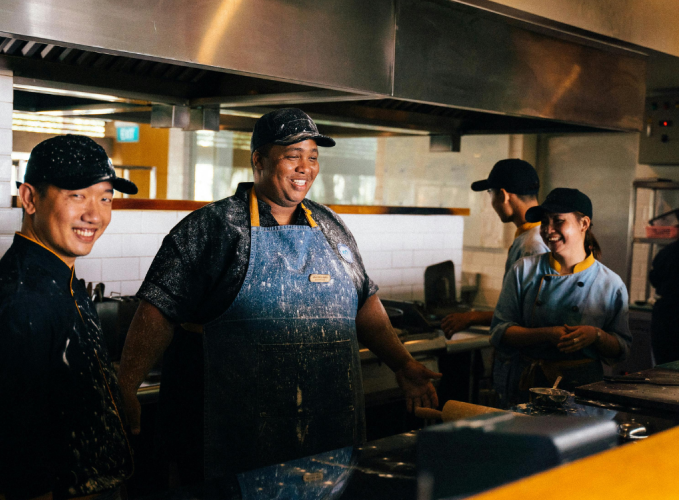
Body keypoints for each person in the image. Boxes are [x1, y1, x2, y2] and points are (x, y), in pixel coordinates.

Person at [118, 108, 441, 482]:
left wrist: (402, 363)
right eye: (293, 156)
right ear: (259, 160)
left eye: (313, 157)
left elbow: (364, 302)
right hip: (236, 438)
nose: (306, 167)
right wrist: (126, 386)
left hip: (325, 435)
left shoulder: (332, 227)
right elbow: (157, 311)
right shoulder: (212, 228)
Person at [0, 135, 138, 500]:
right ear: (29, 198)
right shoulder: (21, 303)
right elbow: (21, 461)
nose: (95, 215)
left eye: (105, 197)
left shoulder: (59, 276)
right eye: (77, 195)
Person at [489, 188, 632, 406]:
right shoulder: (523, 270)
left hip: (582, 390)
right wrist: (547, 334)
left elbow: (621, 348)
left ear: (584, 224)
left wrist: (596, 335)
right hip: (528, 386)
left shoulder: (610, 283)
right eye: (545, 222)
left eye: (558, 221)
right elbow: (499, 331)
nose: (548, 230)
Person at [441, 159, 548, 337]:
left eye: (490, 193)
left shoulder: (533, 245)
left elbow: (528, 313)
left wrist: (472, 317)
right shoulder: (532, 237)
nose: (491, 202)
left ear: (504, 195)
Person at [650, 238, 679, 364]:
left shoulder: (667, 252)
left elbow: (654, 277)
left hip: (666, 315)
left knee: (664, 366)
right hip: (668, 314)